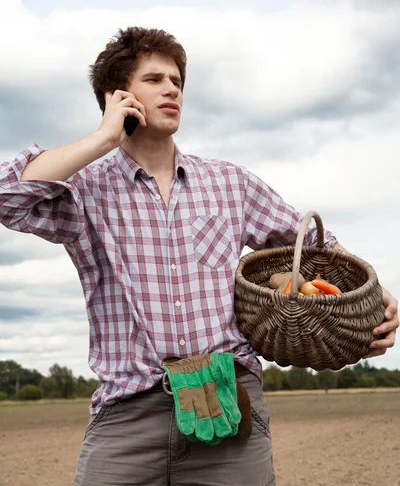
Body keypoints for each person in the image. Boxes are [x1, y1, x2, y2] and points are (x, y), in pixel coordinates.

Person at [0, 27, 398, 486]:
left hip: (228, 403)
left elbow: (318, 247)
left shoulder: (230, 184)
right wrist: (104, 139)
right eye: (154, 79)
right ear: (117, 96)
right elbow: (9, 198)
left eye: (177, 80)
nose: (172, 88)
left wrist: (375, 294)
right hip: (128, 412)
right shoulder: (84, 189)